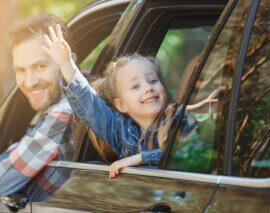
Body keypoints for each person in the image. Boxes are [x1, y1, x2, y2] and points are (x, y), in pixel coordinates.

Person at [42, 25, 215, 178]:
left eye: (153, 80)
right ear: (120, 105)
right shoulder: (120, 132)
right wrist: (66, 64)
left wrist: (139, 159)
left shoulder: (179, 120)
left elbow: (194, 156)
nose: (148, 88)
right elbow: (89, 104)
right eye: (135, 86)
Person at [0, 14, 76, 197]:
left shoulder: (64, 110)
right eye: (20, 70)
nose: (29, 82)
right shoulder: (89, 81)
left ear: (69, 61)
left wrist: (16, 148)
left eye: (40, 67)